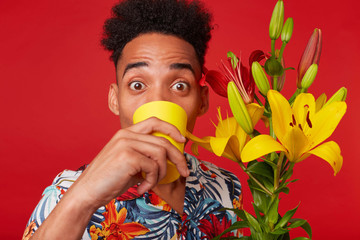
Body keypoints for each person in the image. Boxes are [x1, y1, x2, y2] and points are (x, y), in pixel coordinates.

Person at [23, 0, 243, 239]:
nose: (158, 102)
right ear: (115, 100)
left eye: (180, 85)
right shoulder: (66, 193)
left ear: (202, 102)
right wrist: (83, 198)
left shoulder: (225, 185)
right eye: (138, 85)